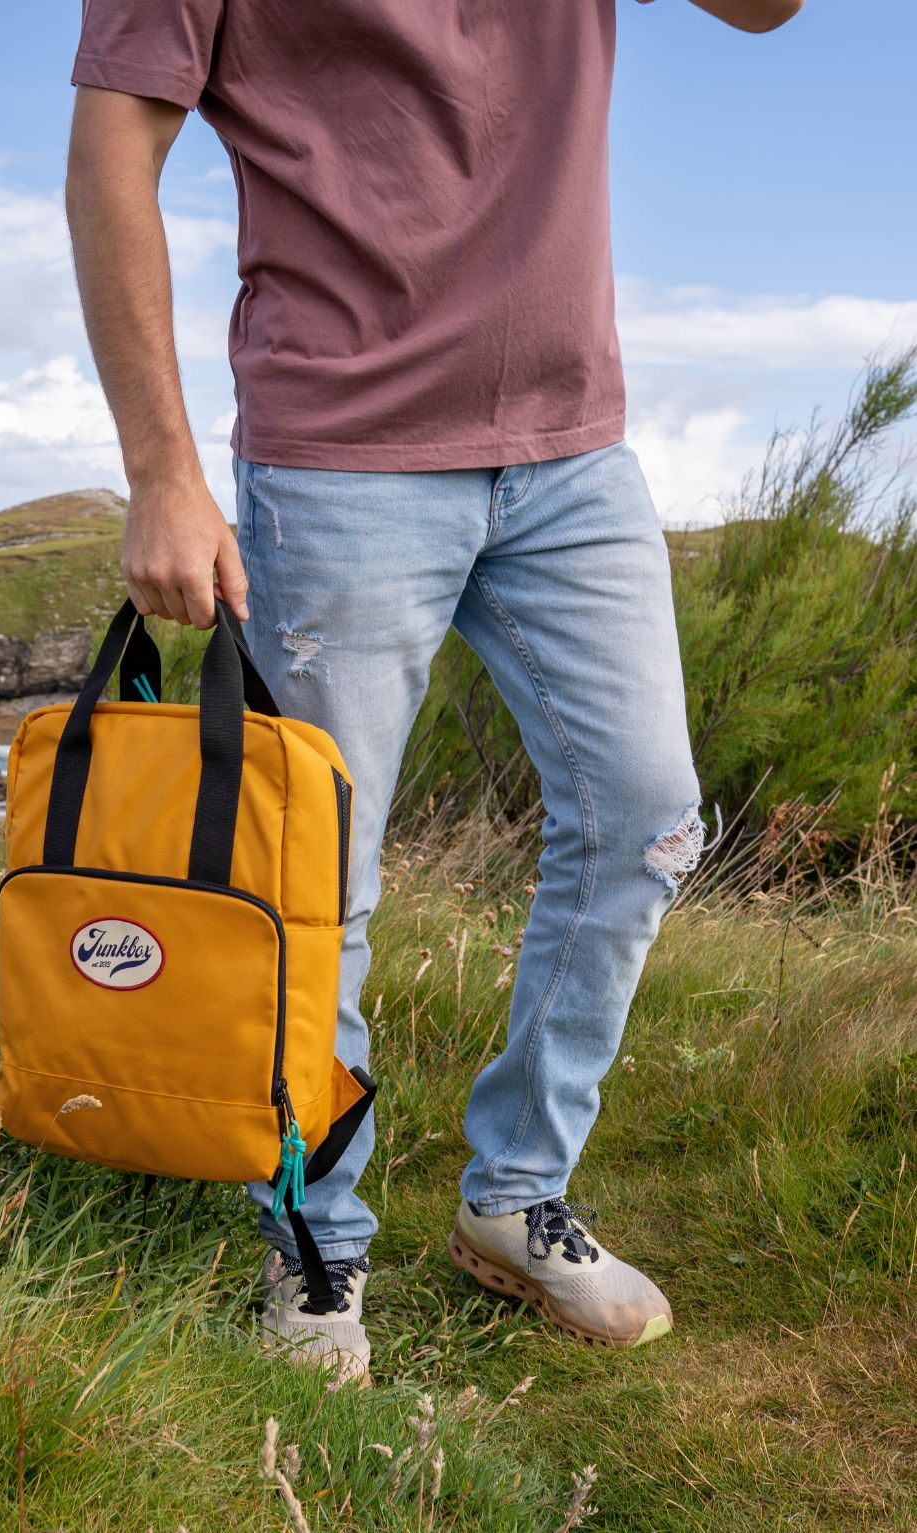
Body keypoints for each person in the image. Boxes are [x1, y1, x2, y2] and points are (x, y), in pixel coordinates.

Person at [64, 0, 803, 1385]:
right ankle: (310, 1236)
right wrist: (161, 468)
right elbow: (112, 142)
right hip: (339, 454)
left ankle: (514, 1193)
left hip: (575, 451)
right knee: (313, 881)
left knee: (646, 814)